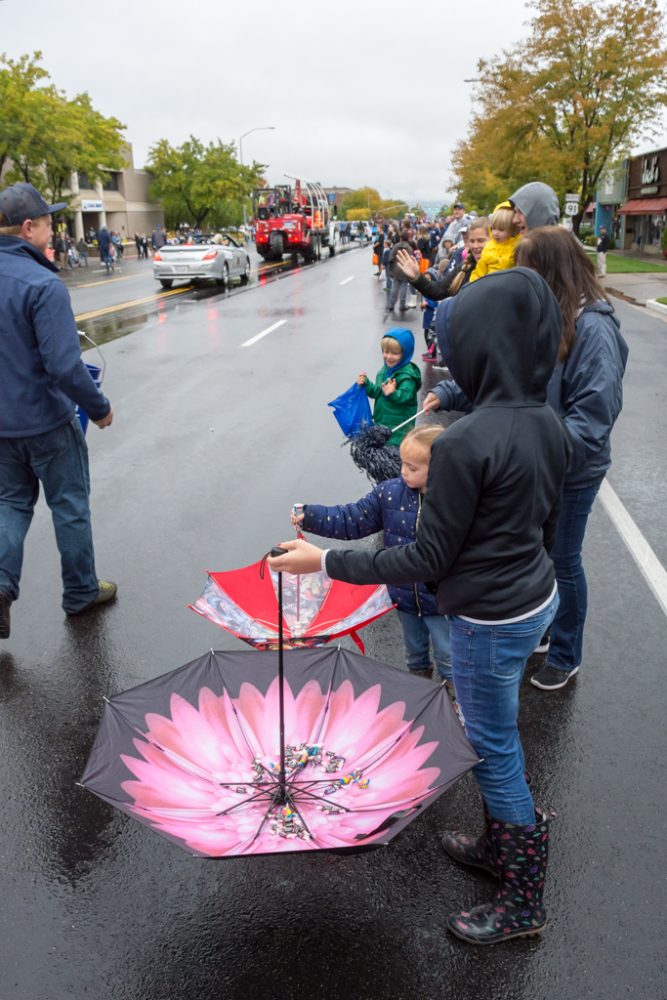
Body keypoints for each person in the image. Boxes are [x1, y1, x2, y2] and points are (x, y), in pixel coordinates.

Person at [269, 268, 571, 945]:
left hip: (486, 619)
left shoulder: (465, 441)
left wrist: (322, 559)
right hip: (532, 601)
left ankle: (524, 900)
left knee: (493, 748)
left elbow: (425, 561)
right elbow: (548, 530)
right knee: (498, 733)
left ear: (478, 347)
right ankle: (500, 849)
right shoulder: (548, 423)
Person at [0, 182, 117, 640]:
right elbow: (65, 366)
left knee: (10, 505)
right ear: (29, 228)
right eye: (49, 221)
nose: (54, 228)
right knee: (69, 506)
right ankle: (80, 593)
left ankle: (1, 587)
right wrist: (100, 408)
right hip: (47, 420)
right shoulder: (42, 284)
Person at [514, 227, 628, 690]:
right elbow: (513, 376)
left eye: (529, 270)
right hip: (542, 463)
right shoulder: (549, 316)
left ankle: (565, 653)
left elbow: (592, 419)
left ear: (551, 272)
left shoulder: (594, 330)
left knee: (562, 559)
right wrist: (452, 390)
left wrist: (536, 446)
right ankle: (543, 632)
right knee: (539, 554)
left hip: (574, 469)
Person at [292, 426, 453, 685]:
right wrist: (311, 516)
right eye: (403, 464)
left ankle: (451, 697)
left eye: (413, 468)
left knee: (448, 655)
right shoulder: (390, 493)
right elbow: (353, 518)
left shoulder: (454, 500)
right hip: (402, 595)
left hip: (441, 601)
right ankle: (420, 686)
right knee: (414, 652)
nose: (403, 472)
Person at [357, 329, 421, 447]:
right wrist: (366, 384)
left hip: (398, 430)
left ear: (405, 353)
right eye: (386, 352)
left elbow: (406, 396)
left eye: (395, 353)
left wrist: (393, 393)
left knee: (395, 460)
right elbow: (377, 392)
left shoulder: (407, 376)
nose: (389, 357)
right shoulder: (384, 371)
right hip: (381, 423)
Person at [469, 202, 520, 281]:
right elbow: (479, 272)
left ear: (513, 230)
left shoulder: (518, 247)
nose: (496, 233)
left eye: (501, 229)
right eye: (493, 228)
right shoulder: (489, 247)